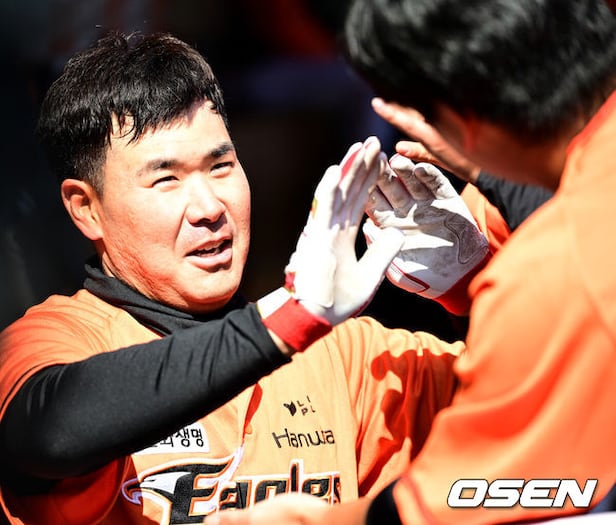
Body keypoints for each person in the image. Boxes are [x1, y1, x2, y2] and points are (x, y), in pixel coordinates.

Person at [0, 31, 488, 524]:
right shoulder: (52, 341)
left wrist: (478, 286)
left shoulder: (342, 353)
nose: (209, 207)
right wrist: (288, 320)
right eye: (166, 179)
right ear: (85, 208)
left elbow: (525, 412)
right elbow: (50, 433)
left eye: (221, 166)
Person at [207, 0, 616, 523]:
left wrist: (302, 521)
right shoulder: (539, 241)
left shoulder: (550, 264)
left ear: (459, 122)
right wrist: (480, 268)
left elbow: (467, 502)